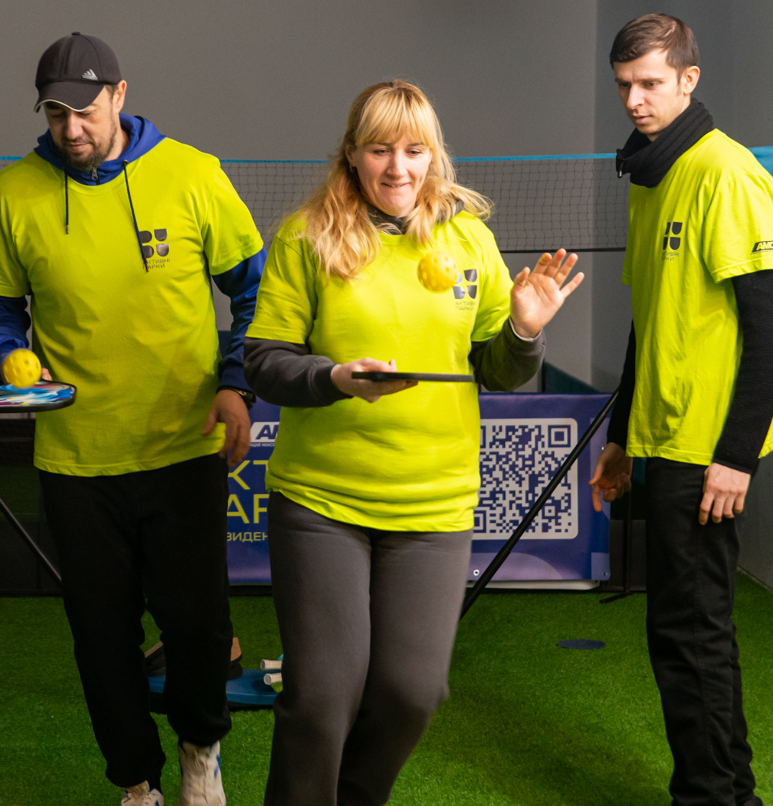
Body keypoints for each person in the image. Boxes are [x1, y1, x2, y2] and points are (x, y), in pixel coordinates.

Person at [244, 80, 584, 806]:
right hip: (322, 501)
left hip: (435, 505)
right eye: (379, 150)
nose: (398, 168)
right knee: (323, 695)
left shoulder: (469, 240)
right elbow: (265, 360)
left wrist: (524, 329)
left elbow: (500, 371)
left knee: (412, 692)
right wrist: (334, 377)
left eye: (413, 150)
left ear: (434, 155)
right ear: (352, 154)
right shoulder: (307, 236)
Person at [0, 33, 264, 806]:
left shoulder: (193, 175)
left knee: (199, 628)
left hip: (184, 447)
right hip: (76, 458)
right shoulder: (13, 193)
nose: (72, 129)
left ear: (121, 97)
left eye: (86, 110)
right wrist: (9, 357)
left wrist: (236, 383)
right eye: (55, 113)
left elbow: (256, 292)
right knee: (101, 635)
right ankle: (136, 781)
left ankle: (200, 753)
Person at [588, 14, 773, 806]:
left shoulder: (725, 174)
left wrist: (735, 457)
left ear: (688, 79)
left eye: (649, 83)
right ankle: (721, 793)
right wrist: (620, 440)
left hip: (707, 453)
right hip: (662, 441)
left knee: (694, 633)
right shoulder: (654, 176)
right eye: (624, 86)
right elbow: (651, 322)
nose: (634, 100)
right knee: (680, 631)